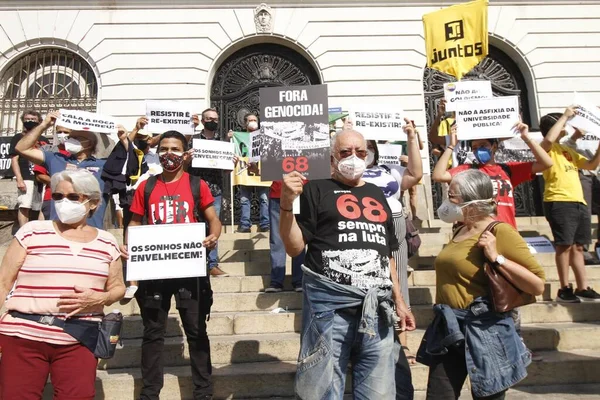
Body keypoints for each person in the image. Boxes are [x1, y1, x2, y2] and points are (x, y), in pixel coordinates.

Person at [281, 128, 415, 399]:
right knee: (325, 390)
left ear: (368, 156)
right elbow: (295, 247)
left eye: (360, 152)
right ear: (332, 158)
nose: (353, 157)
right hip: (331, 309)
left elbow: (386, 253)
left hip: (377, 309)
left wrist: (400, 301)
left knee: (379, 392)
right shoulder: (316, 189)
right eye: (345, 152)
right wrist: (286, 205)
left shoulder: (377, 194)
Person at [418, 169, 545, 400]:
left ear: (472, 201)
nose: (447, 201)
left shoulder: (500, 231)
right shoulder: (459, 229)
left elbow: (537, 285)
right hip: (448, 327)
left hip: (485, 330)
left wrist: (497, 256)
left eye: (452, 196)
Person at [0, 169, 125, 400]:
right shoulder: (32, 232)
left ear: (93, 203)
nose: (63, 202)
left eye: (73, 197)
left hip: (79, 337)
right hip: (24, 335)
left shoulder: (107, 241)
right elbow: (3, 281)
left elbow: (118, 287)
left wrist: (100, 299)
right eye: (57, 196)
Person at [123, 130, 221, 400]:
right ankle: (150, 393)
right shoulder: (147, 186)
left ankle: (203, 393)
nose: (169, 153)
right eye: (164, 148)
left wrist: (214, 235)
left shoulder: (196, 184)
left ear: (185, 153)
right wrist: (130, 247)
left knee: (196, 331)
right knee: (153, 333)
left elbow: (213, 218)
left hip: (190, 270)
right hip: (155, 269)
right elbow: (134, 222)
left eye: (175, 149)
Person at [363, 128, 422, 366]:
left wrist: (411, 139)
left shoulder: (389, 171)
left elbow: (415, 174)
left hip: (394, 229)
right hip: (365, 232)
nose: (361, 153)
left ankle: (402, 341)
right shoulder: (344, 174)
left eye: (365, 148)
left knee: (399, 282)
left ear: (374, 151)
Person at [15, 110, 125, 229]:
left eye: (77, 137)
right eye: (70, 137)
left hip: (90, 231)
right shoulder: (55, 158)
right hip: (59, 232)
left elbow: (133, 165)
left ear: (90, 143)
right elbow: (22, 148)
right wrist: (44, 125)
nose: (70, 140)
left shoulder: (104, 165)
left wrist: (124, 140)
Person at [432, 121, 553, 229]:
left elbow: (546, 163)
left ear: (494, 147)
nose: (479, 150)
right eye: (474, 148)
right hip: (477, 233)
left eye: (483, 145)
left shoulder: (508, 169)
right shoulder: (468, 170)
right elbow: (438, 176)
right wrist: (451, 146)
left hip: (506, 230)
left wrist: (526, 137)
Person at [538, 108, 600, 302]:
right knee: (564, 246)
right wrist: (564, 116)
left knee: (578, 247)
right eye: (562, 125)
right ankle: (564, 288)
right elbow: (548, 140)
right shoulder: (546, 148)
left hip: (578, 201)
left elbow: (590, 165)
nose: (566, 127)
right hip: (559, 200)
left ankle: (582, 287)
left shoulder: (568, 150)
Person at [188, 108, 228, 277]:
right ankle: (194, 262)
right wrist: (188, 157)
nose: (213, 121)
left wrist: (229, 163)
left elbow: (226, 172)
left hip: (215, 190)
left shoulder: (222, 142)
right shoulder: (193, 141)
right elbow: (185, 165)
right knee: (194, 225)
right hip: (194, 189)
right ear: (203, 121)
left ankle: (212, 264)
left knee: (214, 225)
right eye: (210, 118)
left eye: (216, 119)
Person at [9, 110, 47, 226]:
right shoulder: (18, 137)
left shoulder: (44, 139)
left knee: (43, 206)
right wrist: (19, 179)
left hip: (41, 177)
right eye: (27, 120)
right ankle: (23, 233)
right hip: (26, 176)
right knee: (24, 205)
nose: (30, 122)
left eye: (33, 120)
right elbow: (14, 160)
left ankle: (41, 232)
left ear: (39, 122)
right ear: (23, 121)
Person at [237, 113, 270, 233]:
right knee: (244, 199)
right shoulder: (239, 136)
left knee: (264, 198)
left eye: (254, 120)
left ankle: (265, 224)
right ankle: (245, 224)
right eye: (250, 120)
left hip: (261, 171)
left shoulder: (264, 137)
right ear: (245, 123)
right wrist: (229, 137)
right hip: (245, 172)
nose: (252, 122)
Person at [33, 127, 70, 220]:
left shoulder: (79, 154)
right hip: (52, 198)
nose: (62, 134)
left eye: (65, 132)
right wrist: (59, 183)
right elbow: (39, 176)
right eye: (59, 132)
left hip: (74, 200)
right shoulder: (50, 152)